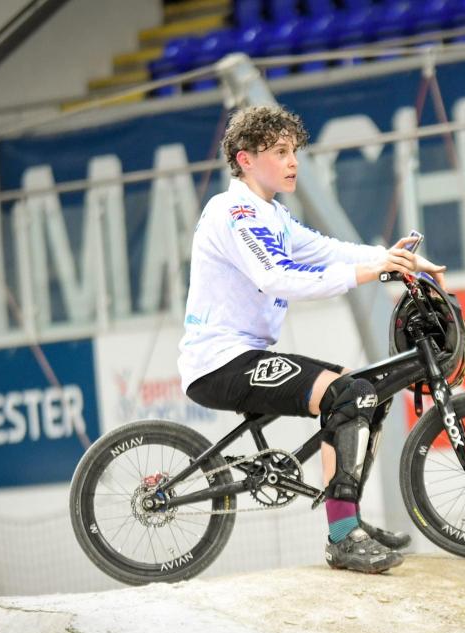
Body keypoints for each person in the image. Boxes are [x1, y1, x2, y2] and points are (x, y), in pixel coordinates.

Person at [178, 104, 446, 574]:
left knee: (368, 391)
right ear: (244, 160)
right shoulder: (235, 211)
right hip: (219, 362)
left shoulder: (272, 215)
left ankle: (349, 520)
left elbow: (327, 249)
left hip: (243, 355)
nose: (292, 161)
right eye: (280, 152)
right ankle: (342, 537)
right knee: (349, 394)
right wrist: (369, 271)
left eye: (294, 151)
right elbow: (278, 278)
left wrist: (393, 258)